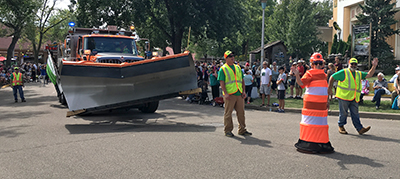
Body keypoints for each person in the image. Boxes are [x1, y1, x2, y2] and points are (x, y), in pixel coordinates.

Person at [292, 53, 334, 153]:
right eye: (316, 63)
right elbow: (302, 84)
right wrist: (297, 75)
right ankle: (309, 143)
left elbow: (324, 89)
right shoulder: (309, 73)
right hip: (311, 105)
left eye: (320, 63)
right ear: (312, 64)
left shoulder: (324, 75)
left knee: (320, 125)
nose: (318, 65)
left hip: (322, 105)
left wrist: (327, 100)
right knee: (311, 124)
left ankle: (320, 143)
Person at [328, 57, 378, 135]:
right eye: (352, 64)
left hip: (354, 97)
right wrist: (329, 89)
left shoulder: (358, 73)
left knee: (355, 114)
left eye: (355, 64)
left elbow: (369, 74)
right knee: (343, 113)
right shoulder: (344, 72)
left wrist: (374, 66)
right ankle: (341, 126)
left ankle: (360, 129)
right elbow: (332, 77)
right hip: (343, 97)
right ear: (349, 64)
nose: (353, 65)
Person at [218, 50, 252, 137]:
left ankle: (242, 129)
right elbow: (221, 82)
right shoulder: (223, 69)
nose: (233, 58)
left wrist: (243, 91)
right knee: (228, 113)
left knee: (241, 113)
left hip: (239, 93)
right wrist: (225, 93)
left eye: (233, 56)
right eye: (230, 56)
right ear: (226, 59)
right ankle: (228, 130)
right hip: (230, 94)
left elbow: (242, 80)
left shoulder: (237, 67)